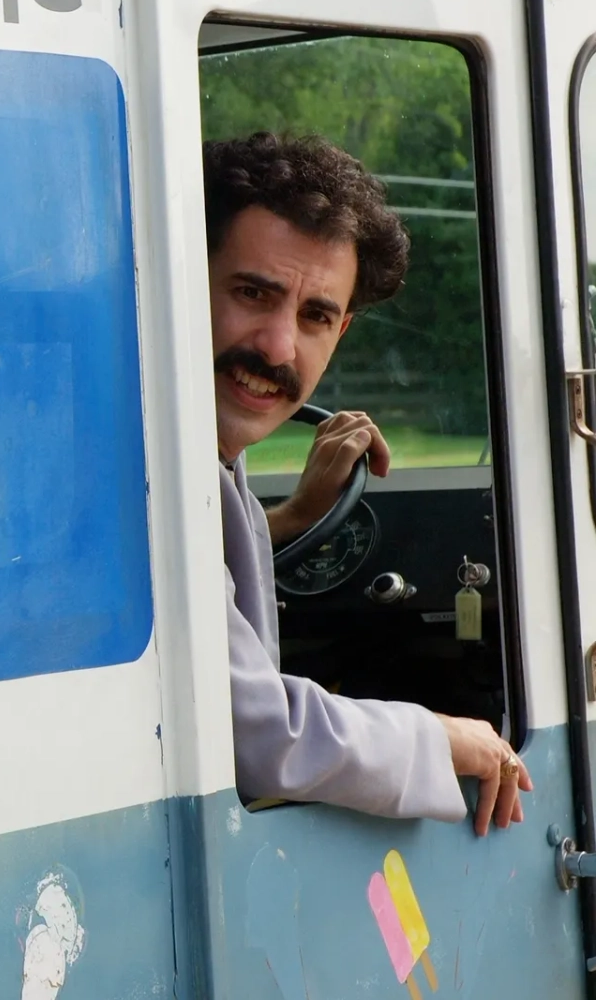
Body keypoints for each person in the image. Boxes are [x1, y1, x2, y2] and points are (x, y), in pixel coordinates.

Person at [206, 131, 529, 835]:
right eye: (252, 293)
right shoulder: (132, 474)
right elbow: (257, 734)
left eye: (314, 316)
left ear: (342, 331)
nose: (278, 347)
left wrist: (288, 518)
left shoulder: (209, 462)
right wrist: (445, 738)